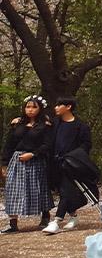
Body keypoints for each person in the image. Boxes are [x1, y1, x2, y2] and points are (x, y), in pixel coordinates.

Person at [2, 95, 53, 233]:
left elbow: (47, 145)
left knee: (38, 188)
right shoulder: (17, 123)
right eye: (28, 107)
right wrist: (4, 163)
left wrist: (33, 154)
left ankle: (45, 217)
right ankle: (13, 224)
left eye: (34, 107)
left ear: (40, 109)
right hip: (17, 160)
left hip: (36, 160)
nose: (30, 110)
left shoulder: (45, 126)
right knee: (12, 190)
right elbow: (9, 144)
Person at [45, 96, 93, 234]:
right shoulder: (54, 124)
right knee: (62, 192)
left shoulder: (81, 127)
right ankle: (74, 216)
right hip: (55, 165)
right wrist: (19, 121)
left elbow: (86, 145)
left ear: (68, 107)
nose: (55, 108)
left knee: (66, 192)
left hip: (72, 165)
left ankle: (56, 221)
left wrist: (74, 156)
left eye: (59, 105)